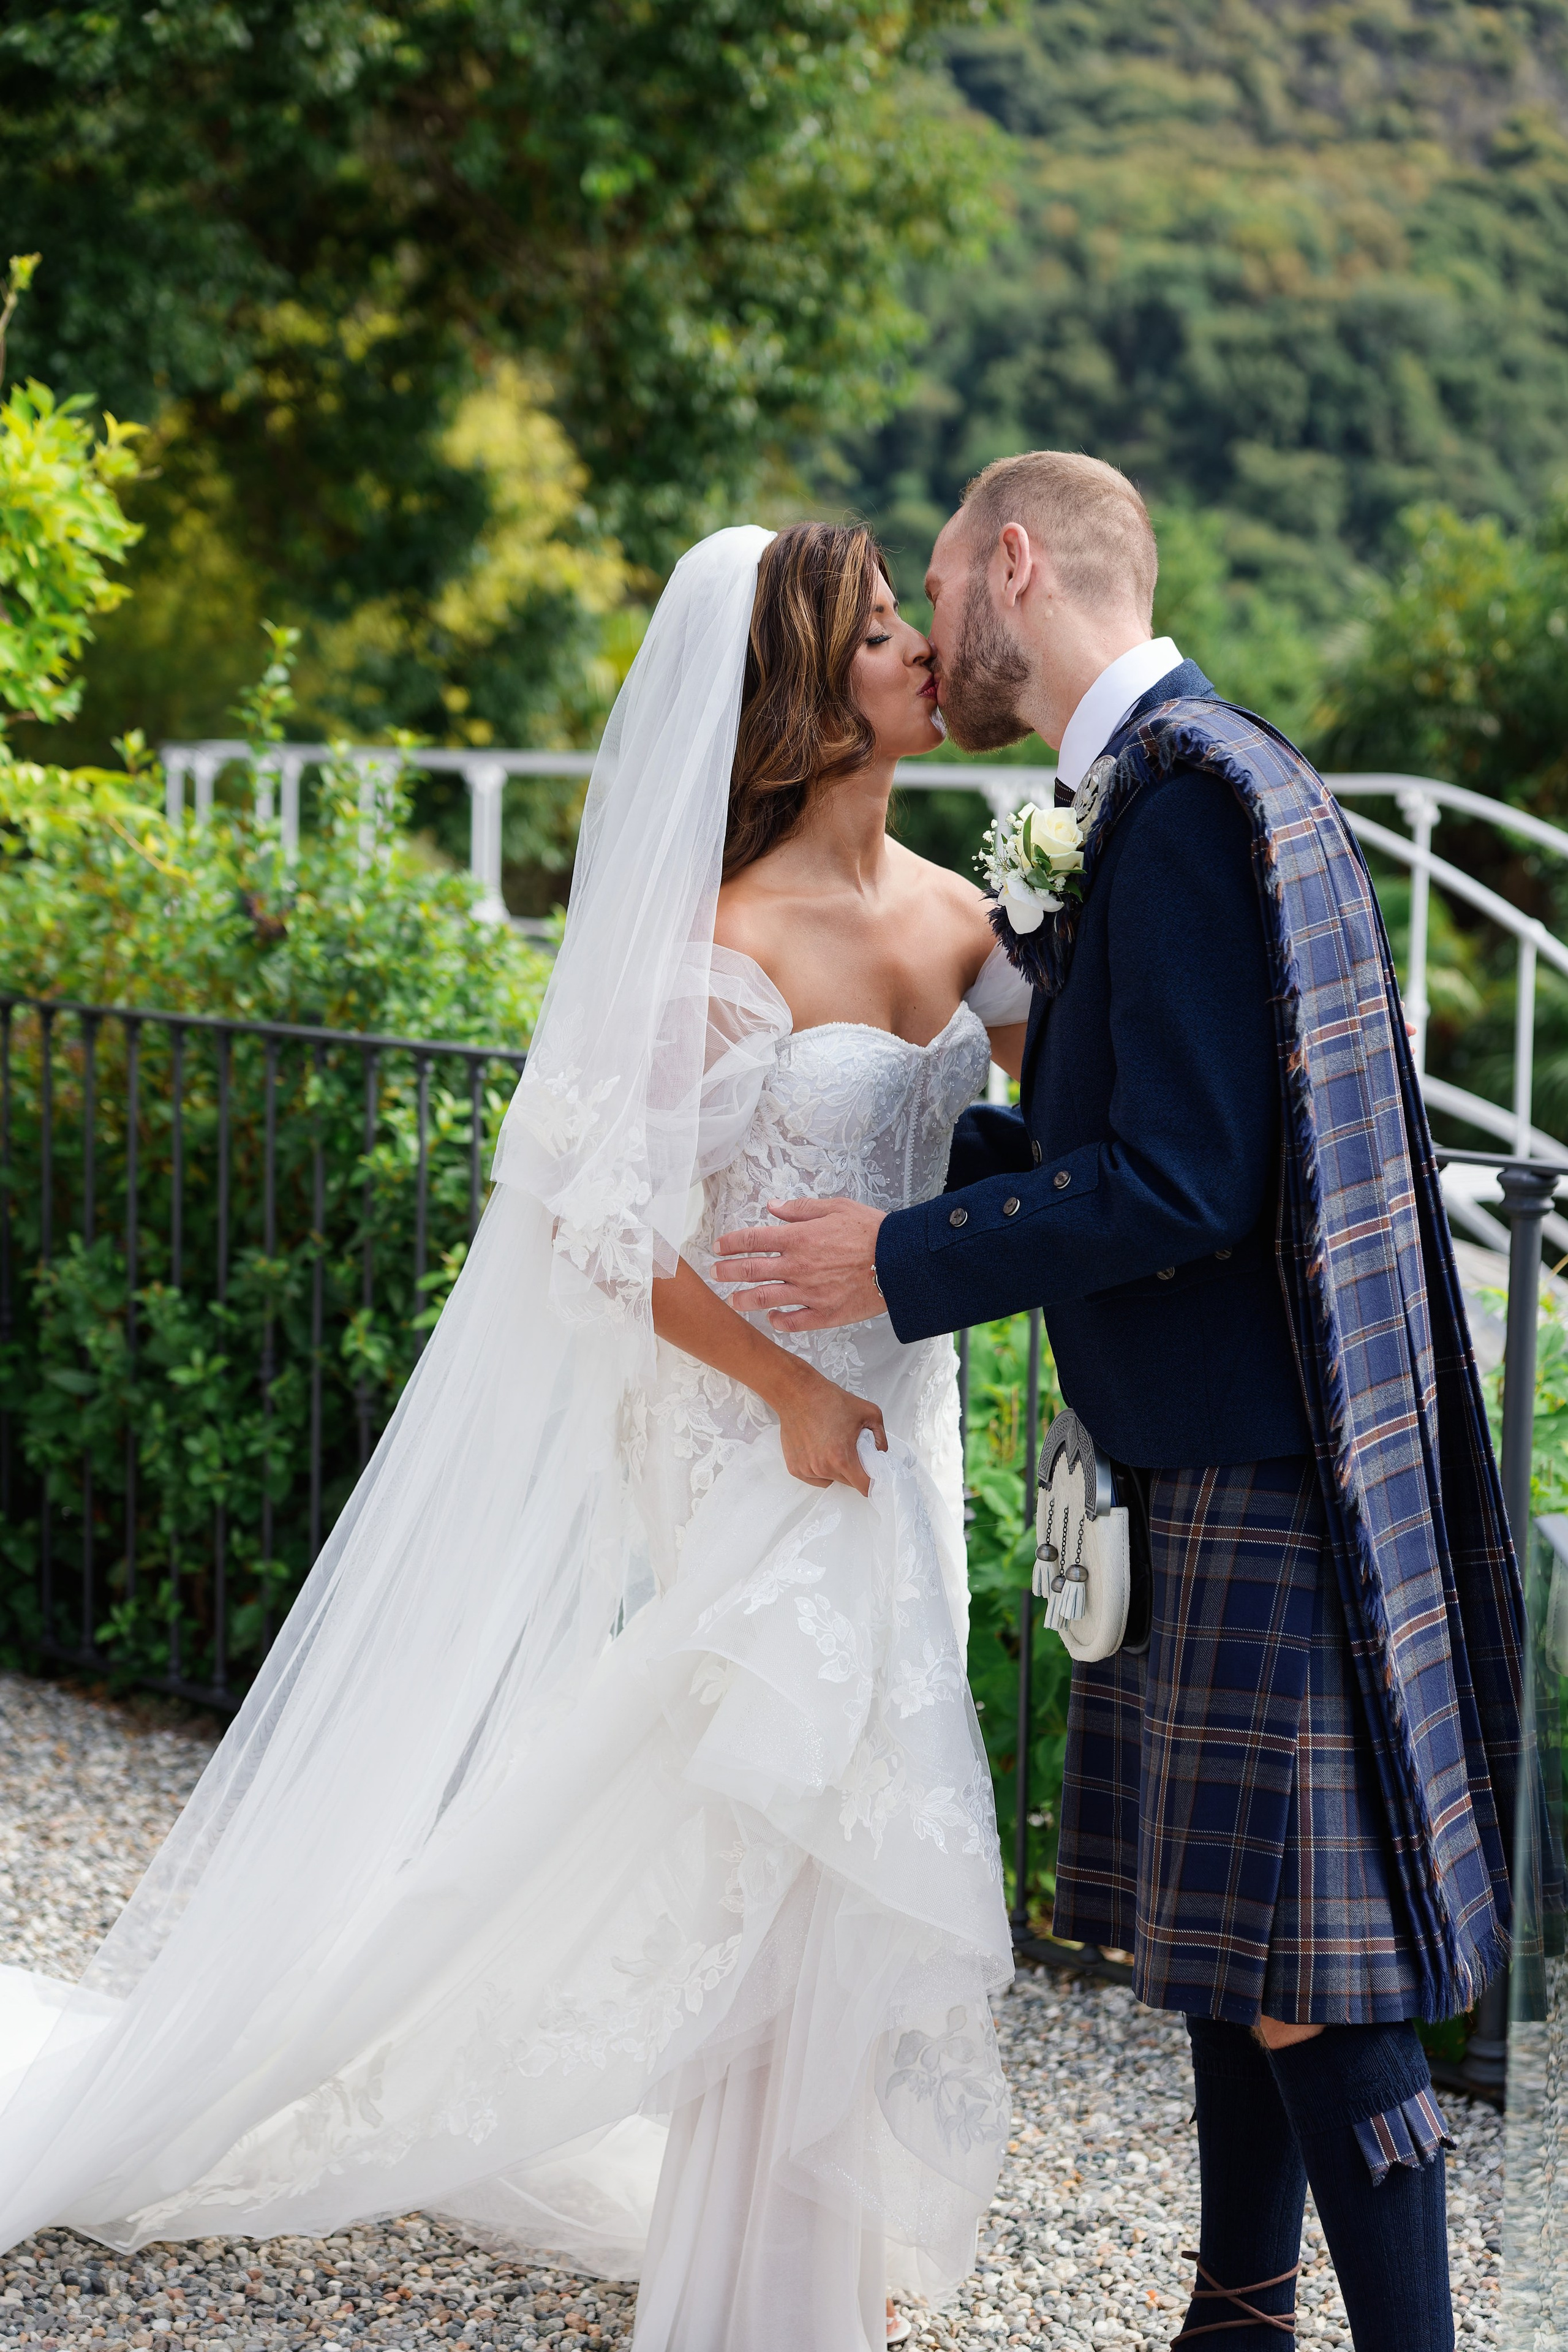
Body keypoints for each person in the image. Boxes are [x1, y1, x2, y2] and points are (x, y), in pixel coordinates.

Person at [0, 523, 1032, 2352]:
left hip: (907, 1435)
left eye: (911, 626)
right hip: (758, 1439)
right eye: (884, 636)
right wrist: (788, 1388)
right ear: (809, 689)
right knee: (779, 1823)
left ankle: (818, 2225)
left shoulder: (973, 909)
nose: (921, 656)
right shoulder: (722, 942)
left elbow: (1087, 1126)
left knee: (865, 1810)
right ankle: (754, 2294)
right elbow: (589, 1220)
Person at [715, 453, 1525, 2351]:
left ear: (1018, 563)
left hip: (1248, 1459)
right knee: (1234, 1956)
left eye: (938, 587)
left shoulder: (1176, 804)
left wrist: (902, 1261)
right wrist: (952, 1159)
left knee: (1316, 1978)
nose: (930, 636)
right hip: (1209, 1447)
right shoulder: (1180, 780)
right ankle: (1234, 2317)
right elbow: (1122, 1128)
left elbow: (1183, 1180)